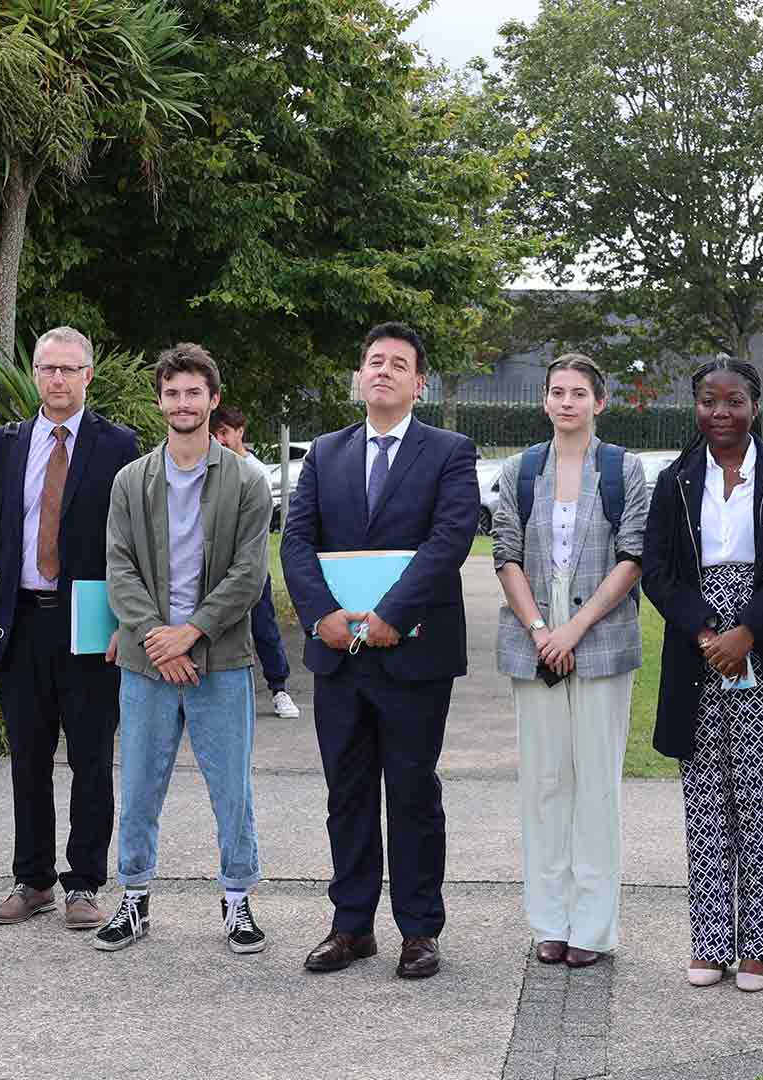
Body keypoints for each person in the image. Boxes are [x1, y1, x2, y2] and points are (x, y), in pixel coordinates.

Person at [280, 322, 480, 980]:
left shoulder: (450, 451)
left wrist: (393, 614)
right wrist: (320, 616)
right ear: (359, 377)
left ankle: (419, 930)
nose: (384, 371)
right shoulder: (326, 454)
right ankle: (351, 925)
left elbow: (449, 540)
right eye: (374, 361)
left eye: (399, 364)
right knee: (348, 793)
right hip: (340, 656)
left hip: (414, 653)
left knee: (414, 793)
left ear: (420, 383)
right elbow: (296, 543)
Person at [640, 358, 763, 993]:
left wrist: (748, 632)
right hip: (698, 647)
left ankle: (759, 948)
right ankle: (711, 940)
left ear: (754, 406)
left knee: (762, 800)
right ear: (694, 406)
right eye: (708, 401)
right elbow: (660, 573)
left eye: (734, 401)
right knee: (706, 801)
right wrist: (706, 636)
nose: (720, 413)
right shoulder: (673, 480)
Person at [0, 327, 140, 931]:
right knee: (27, 759)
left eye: (69, 369)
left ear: (89, 375)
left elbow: (131, 544)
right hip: (19, 624)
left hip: (91, 626)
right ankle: (32, 879)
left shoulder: (120, 446)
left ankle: (84, 882)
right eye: (46, 368)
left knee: (91, 760)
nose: (57, 379)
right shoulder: (0, 447)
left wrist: (128, 622)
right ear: (34, 374)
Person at [96, 343, 273, 955]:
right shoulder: (130, 481)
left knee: (232, 787)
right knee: (140, 783)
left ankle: (238, 900)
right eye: (172, 393)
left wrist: (191, 632)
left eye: (193, 392)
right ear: (160, 402)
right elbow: (119, 568)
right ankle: (135, 898)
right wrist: (157, 639)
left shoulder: (249, 480)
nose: (183, 403)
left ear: (213, 399)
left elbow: (250, 574)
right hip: (147, 662)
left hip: (220, 659)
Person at [492, 354, 650, 969]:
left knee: (596, 784)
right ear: (544, 400)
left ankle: (593, 924)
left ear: (599, 402)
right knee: (544, 784)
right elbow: (504, 553)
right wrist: (539, 630)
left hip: (601, 639)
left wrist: (575, 629)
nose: (567, 402)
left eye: (579, 393)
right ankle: (550, 919)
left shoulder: (624, 469)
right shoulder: (519, 469)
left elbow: (633, 554)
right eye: (557, 392)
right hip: (532, 638)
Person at [209, 404, 301, 720]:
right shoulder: (207, 468)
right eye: (215, 434)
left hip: (251, 566)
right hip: (214, 565)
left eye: (224, 433)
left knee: (264, 627)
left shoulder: (258, 473)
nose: (219, 440)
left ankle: (279, 689)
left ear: (239, 432)